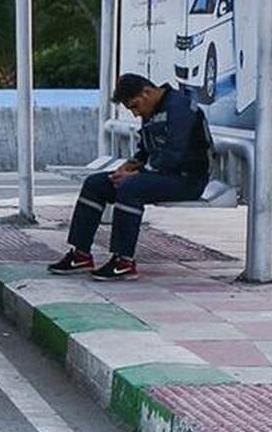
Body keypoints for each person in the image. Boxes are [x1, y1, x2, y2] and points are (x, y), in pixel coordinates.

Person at [49, 73, 212, 281]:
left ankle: (123, 261)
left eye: (135, 106)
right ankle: (80, 254)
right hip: (159, 175)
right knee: (96, 184)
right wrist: (127, 167)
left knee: (130, 188)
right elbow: (145, 151)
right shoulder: (152, 110)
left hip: (187, 179)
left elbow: (174, 154)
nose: (136, 114)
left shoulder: (179, 107)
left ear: (147, 92)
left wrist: (136, 175)